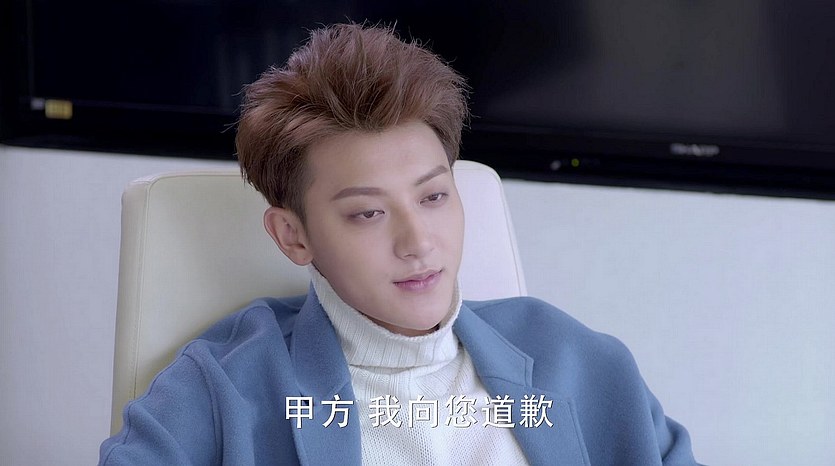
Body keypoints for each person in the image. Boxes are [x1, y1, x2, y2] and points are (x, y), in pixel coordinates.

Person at [99, 23, 699, 465]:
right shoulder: (224, 387)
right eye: (368, 213)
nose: (418, 243)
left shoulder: (580, 362)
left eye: (434, 196)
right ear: (293, 235)